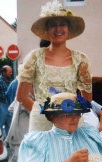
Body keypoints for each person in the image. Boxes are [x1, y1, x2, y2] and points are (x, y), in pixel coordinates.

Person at [16, 0, 92, 133]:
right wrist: (43, 113)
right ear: (47, 29)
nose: (58, 29)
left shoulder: (81, 60)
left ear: (68, 28)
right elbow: (21, 96)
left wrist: (70, 115)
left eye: (62, 24)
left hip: (71, 123)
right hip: (41, 123)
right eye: (53, 25)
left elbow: (87, 99)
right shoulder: (34, 57)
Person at [0, 65, 13, 137]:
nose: (11, 73)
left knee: (9, 125)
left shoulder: (11, 80)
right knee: (0, 124)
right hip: (1, 105)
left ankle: (8, 142)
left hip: (10, 105)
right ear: (4, 72)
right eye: (9, 72)